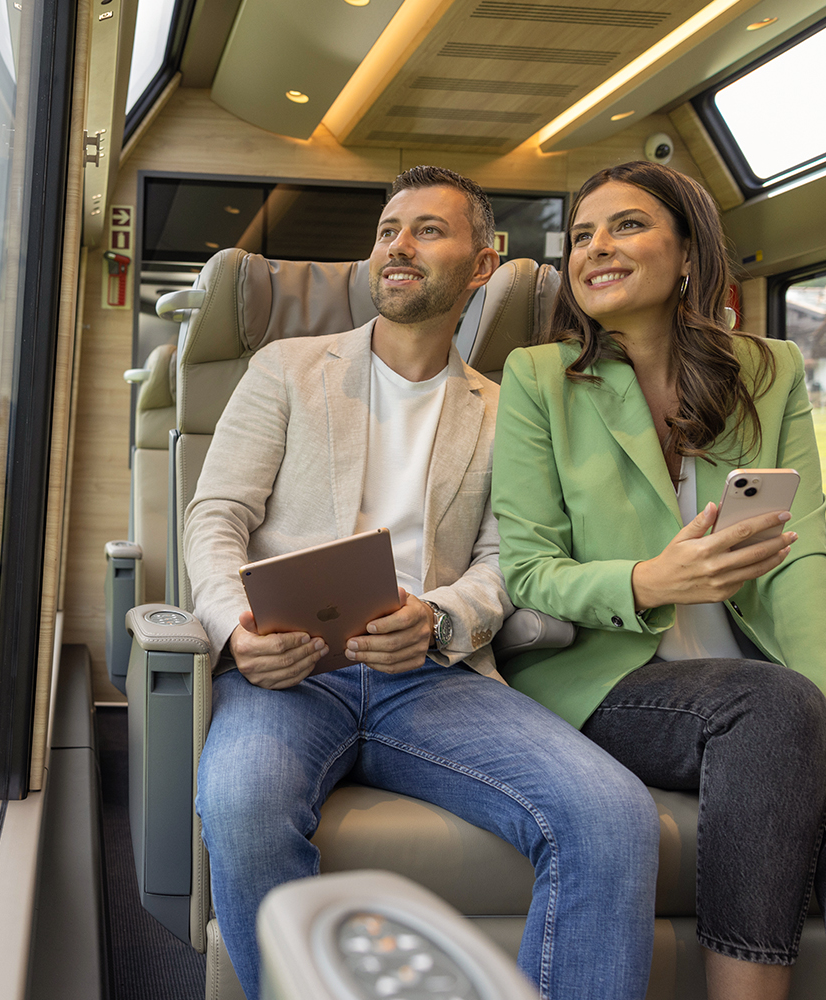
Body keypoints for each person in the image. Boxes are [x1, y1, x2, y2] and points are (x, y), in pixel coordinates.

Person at [187, 165, 660, 1000]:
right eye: (387, 230)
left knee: (611, 815)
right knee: (242, 804)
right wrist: (236, 628)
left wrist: (438, 618)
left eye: (428, 231)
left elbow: (505, 559)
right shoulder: (284, 369)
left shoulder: (505, 403)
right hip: (290, 669)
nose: (398, 246)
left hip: (431, 678)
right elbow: (215, 515)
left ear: (482, 264)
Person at [492, 160, 826, 1000]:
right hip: (606, 679)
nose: (597, 246)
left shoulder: (770, 371)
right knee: (774, 704)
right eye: (584, 235)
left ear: (686, 255)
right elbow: (528, 572)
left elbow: (802, 558)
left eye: (627, 225)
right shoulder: (538, 379)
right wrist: (650, 578)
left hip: (763, 689)